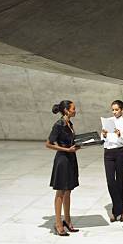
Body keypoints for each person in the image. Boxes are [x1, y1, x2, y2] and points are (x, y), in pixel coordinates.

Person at [46, 100, 80, 236]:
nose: (75, 110)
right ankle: (58, 223)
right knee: (60, 191)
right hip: (62, 160)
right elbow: (48, 144)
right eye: (73, 109)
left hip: (71, 158)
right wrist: (66, 150)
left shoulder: (69, 123)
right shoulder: (59, 124)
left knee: (68, 190)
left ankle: (67, 220)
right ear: (66, 110)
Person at [101, 100, 123, 223]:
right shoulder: (108, 121)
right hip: (108, 153)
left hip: (120, 152)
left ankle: (115, 211)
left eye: (116, 110)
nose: (114, 112)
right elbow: (103, 139)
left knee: (119, 181)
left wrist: (120, 135)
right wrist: (103, 135)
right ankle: (122, 209)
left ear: (122, 110)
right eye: (113, 110)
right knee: (110, 181)